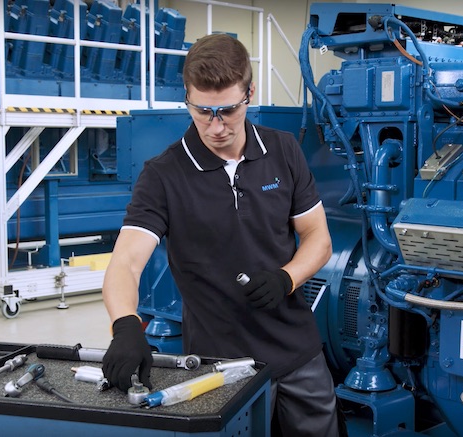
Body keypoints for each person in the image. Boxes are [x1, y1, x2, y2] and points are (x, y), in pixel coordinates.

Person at [101, 33, 341, 436]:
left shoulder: (283, 150)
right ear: (187, 99)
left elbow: (319, 238)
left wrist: (287, 277)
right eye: (202, 111)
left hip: (298, 354)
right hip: (218, 366)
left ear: (250, 93)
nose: (216, 126)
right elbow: (126, 260)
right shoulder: (163, 175)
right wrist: (125, 325)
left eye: (228, 111)